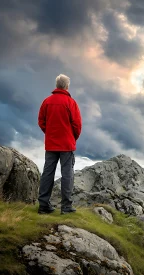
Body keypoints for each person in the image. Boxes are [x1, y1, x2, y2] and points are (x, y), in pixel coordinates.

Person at [37, 74, 82, 215]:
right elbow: (77, 125)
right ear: (67, 86)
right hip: (66, 144)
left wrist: (49, 133)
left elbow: (41, 121)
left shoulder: (47, 101)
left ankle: (43, 205)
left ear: (56, 85)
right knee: (67, 174)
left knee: (47, 173)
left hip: (51, 143)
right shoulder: (71, 102)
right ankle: (66, 207)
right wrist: (72, 137)